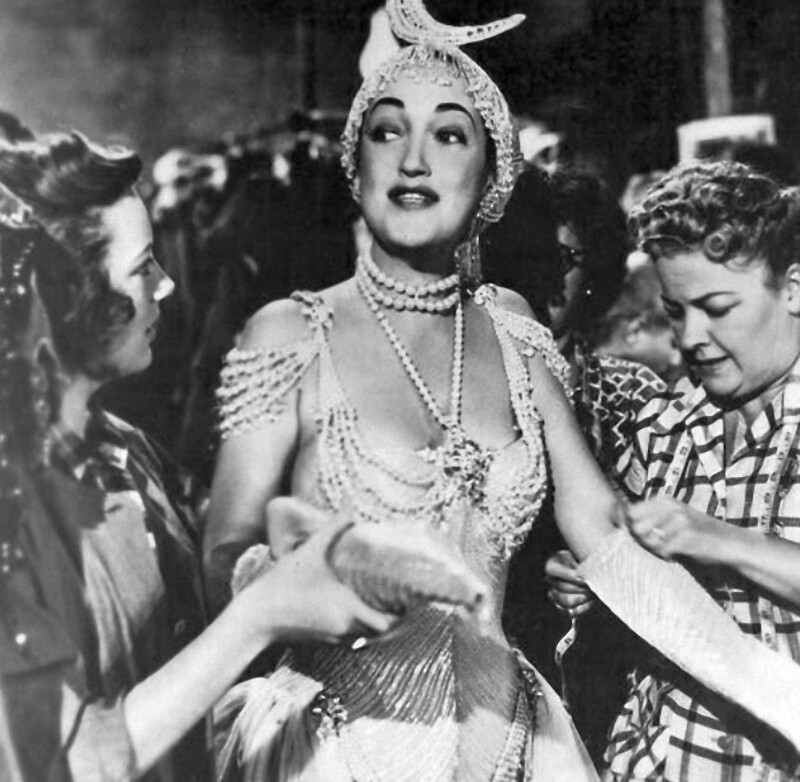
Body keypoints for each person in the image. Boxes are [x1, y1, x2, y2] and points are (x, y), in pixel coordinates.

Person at [203, 2, 633, 779]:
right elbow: (223, 557)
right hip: (338, 753)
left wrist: (766, 682)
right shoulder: (290, 333)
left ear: (492, 177)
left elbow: (605, 535)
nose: (413, 161)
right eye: (387, 130)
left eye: (449, 135)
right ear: (354, 162)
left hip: (515, 749)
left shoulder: (514, 327)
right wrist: (307, 582)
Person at [0, 131, 397, 782]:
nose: (165, 285)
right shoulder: (12, 503)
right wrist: (260, 616)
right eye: (142, 267)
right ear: (71, 297)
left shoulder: (124, 449)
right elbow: (72, 760)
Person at [550, 161, 800, 780]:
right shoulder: (662, 427)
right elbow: (635, 597)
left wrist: (716, 539)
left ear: (794, 289)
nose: (692, 337)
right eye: (676, 311)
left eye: (717, 308)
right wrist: (589, 584)